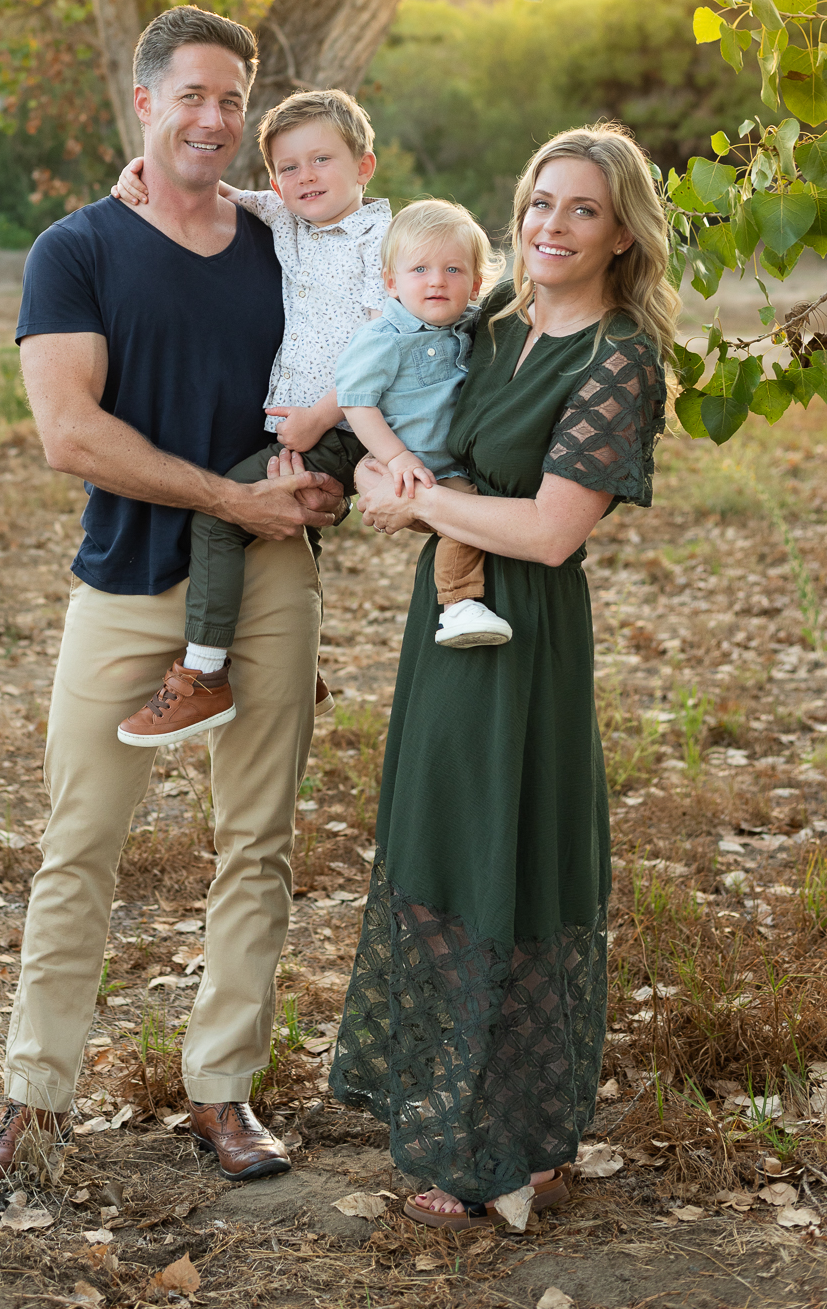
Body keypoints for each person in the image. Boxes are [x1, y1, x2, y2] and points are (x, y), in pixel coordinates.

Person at [0, 5, 343, 1191]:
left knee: (257, 841)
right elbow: (69, 431)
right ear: (145, 102)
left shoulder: (287, 237)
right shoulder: (75, 248)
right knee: (79, 841)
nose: (216, 119)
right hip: (128, 576)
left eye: (234, 99)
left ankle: (222, 1089)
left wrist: (323, 482)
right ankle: (36, 1099)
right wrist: (225, 504)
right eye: (193, 96)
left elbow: (385, 319)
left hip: (272, 573)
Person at [322, 123, 677, 1231]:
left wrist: (418, 499)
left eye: (580, 208)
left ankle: (522, 1140)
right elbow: (393, 395)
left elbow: (552, 530)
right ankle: (453, 1117)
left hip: (525, 630)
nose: (551, 226)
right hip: (446, 622)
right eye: (538, 203)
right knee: (437, 841)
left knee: (511, 851)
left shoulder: (619, 357)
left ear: (623, 231)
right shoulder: (489, 321)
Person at [111, 87, 393, 748]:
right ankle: (298, 661)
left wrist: (319, 418)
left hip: (355, 423)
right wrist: (138, 170)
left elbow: (390, 337)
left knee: (222, 512)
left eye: (321, 160)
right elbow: (212, 191)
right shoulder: (287, 216)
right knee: (290, 534)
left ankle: (204, 673)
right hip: (306, 421)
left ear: (364, 166)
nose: (304, 178)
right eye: (288, 168)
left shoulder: (381, 237)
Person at [336, 198, 511, 650]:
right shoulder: (384, 339)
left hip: (457, 463)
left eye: (453, 270)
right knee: (465, 515)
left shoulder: (476, 327)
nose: (436, 280)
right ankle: (458, 605)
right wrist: (395, 458)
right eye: (420, 270)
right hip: (418, 470)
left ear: (475, 284)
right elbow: (356, 402)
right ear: (392, 283)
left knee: (473, 508)